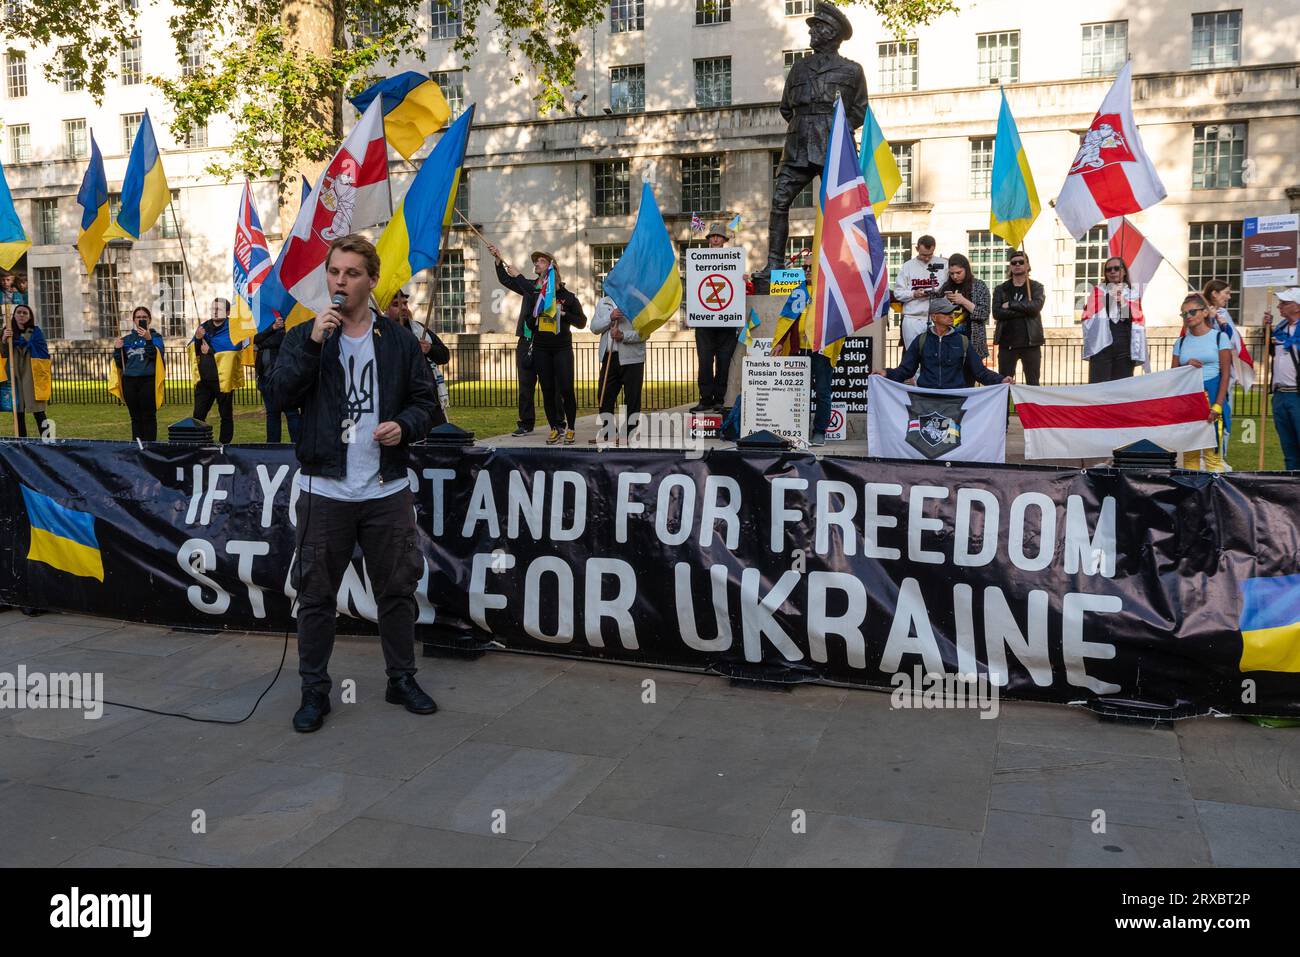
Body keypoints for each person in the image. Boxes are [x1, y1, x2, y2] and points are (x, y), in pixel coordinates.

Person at [266, 234, 442, 733]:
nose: (340, 282)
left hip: (385, 490)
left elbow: (427, 404)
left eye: (351, 274)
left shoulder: (399, 340)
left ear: (370, 280)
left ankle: (400, 678)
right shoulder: (306, 336)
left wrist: (404, 426)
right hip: (326, 491)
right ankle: (313, 691)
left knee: (397, 588)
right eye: (334, 272)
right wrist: (315, 344)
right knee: (317, 595)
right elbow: (278, 395)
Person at [763, 1, 868, 277]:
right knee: (779, 202)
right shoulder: (798, 68)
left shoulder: (852, 71)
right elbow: (786, 107)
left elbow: (859, 111)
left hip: (834, 147)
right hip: (798, 144)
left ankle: (846, 265)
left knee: (843, 207)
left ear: (832, 33)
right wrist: (807, 125)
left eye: (818, 27)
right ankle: (774, 263)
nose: (812, 32)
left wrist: (834, 131)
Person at [487, 244, 585, 444]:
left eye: (540, 260)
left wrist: (519, 276)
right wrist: (499, 261)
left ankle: (561, 423)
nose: (536, 263)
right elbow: (509, 281)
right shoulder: (532, 288)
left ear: (551, 267)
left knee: (559, 386)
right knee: (529, 384)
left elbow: (579, 320)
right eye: (535, 261)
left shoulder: (560, 295)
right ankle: (528, 422)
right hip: (531, 341)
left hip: (557, 345)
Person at [875, 299, 1012, 390]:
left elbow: (980, 372)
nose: (951, 316)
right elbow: (905, 370)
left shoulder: (963, 341)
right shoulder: (921, 340)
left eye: (952, 312)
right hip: (926, 399)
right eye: (946, 313)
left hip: (954, 401)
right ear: (934, 317)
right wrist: (886, 373)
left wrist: (1001, 380)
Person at [1171, 293, 1232, 472]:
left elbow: (1226, 374)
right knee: (1190, 457)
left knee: (1212, 457)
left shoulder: (1220, 338)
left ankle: (1215, 498)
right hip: (1188, 402)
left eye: (1192, 312)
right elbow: (1173, 376)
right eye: (1184, 314)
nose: (1188, 316)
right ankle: (1193, 498)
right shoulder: (1180, 343)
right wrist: (1186, 365)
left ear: (1205, 312)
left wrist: (1218, 405)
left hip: (1212, 399)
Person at [386, 288, 451, 427]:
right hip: (399, 403)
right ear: (385, 309)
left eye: (405, 303)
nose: (403, 308)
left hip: (430, 399)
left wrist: (429, 349)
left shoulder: (420, 329)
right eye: (396, 305)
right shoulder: (381, 332)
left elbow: (444, 355)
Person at [692, 223, 739, 413]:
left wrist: (743, 280)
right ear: (709, 239)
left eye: (719, 236)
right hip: (704, 322)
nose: (715, 239)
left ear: (724, 240)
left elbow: (738, 289)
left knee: (723, 361)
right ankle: (705, 399)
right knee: (704, 362)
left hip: (727, 322)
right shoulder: (698, 261)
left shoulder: (735, 260)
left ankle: (719, 399)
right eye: (712, 236)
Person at [590, 295, 644, 444]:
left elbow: (644, 332)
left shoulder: (637, 301)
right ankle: (609, 433)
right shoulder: (603, 302)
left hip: (632, 358)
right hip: (609, 357)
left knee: (632, 398)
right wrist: (610, 317)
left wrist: (623, 335)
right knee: (604, 396)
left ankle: (629, 433)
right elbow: (594, 327)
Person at [1082, 256, 1146, 383]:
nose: (1112, 272)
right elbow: (1088, 316)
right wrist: (1109, 297)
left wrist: (1122, 302)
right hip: (1102, 348)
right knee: (1099, 386)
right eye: (1108, 269)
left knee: (1121, 388)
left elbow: (1136, 320)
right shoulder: (1098, 291)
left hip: (1124, 347)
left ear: (1123, 272)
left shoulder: (1132, 294)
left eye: (1116, 268)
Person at [191, 297, 243, 443]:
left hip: (223, 380)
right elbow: (195, 351)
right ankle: (200, 443)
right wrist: (197, 338)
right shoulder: (204, 326)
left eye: (218, 308)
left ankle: (224, 445)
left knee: (225, 415)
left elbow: (233, 350)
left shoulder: (233, 328)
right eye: (213, 308)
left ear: (227, 312)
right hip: (204, 380)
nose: (214, 311)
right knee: (198, 415)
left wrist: (211, 351)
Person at [992, 250, 1046, 385]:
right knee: (1004, 384)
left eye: (1021, 262)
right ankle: (1006, 407)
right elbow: (997, 313)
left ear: (1027, 265)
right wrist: (1026, 309)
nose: (1017, 264)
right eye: (1013, 262)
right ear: (1010, 266)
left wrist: (1010, 304)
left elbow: (1035, 308)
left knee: (1033, 383)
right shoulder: (1001, 289)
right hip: (1007, 343)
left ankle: (1031, 407)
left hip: (1031, 343)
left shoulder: (1036, 287)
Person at [113, 305, 163, 441]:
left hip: (148, 380)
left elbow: (155, 356)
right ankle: (137, 446)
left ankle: (151, 448)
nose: (141, 319)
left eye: (144, 317)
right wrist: (117, 349)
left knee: (149, 416)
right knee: (135, 417)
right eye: (138, 317)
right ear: (134, 320)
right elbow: (120, 363)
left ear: (149, 320)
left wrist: (148, 340)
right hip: (129, 381)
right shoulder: (127, 339)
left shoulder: (156, 337)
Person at [1263, 288, 1300, 470]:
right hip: (1280, 395)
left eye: (1284, 303)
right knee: (1289, 448)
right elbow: (1272, 353)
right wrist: (1267, 330)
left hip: (1297, 394)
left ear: (1297, 306)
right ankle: (1293, 492)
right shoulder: (1280, 329)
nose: (1279, 306)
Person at [2, 304, 51, 438]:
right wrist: (4, 340)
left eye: (25, 313)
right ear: (14, 315)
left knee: (39, 412)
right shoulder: (8, 331)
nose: (22, 315)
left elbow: (43, 352)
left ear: (30, 316)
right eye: (19, 312)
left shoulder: (34, 331)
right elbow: (3, 354)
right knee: (18, 413)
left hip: (31, 374)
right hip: (14, 373)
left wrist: (25, 342)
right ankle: (22, 443)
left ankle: (48, 441)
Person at [893, 236, 947, 349]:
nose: (927, 259)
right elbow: (898, 293)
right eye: (923, 255)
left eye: (930, 255)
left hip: (936, 318)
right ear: (917, 248)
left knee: (935, 355)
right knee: (913, 355)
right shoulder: (908, 266)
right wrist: (913, 294)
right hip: (913, 318)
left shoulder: (943, 264)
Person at [254, 314, 301, 443]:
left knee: (291, 413)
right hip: (265, 379)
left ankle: (298, 445)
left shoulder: (288, 325)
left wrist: (260, 344)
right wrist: (271, 328)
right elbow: (255, 339)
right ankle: (273, 447)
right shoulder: (266, 326)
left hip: (283, 379)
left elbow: (280, 340)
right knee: (272, 415)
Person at [935, 253, 990, 360]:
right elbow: (936, 313)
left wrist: (963, 301)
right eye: (951, 274)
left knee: (969, 375)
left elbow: (984, 314)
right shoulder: (946, 286)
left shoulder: (979, 286)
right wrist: (943, 302)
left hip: (972, 342)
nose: (955, 276)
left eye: (958, 273)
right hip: (948, 343)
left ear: (966, 270)